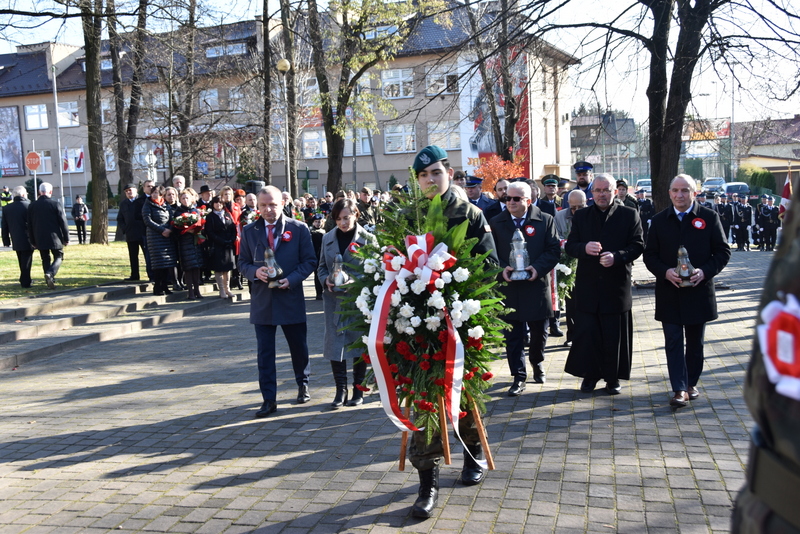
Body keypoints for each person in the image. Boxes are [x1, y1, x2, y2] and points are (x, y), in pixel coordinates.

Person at [407, 145, 498, 518]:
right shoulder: (408, 216)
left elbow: (490, 264)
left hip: (461, 319)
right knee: (423, 399)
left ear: (449, 173)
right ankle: (427, 482)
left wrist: (453, 285)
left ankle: (472, 452)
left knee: (462, 391)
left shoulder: (471, 214)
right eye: (424, 175)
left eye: (436, 173)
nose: (431, 180)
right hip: (417, 323)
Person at [643, 174, 731, 407]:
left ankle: (691, 382)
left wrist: (705, 271)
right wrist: (664, 272)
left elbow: (723, 252)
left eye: (685, 190)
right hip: (669, 293)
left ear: (694, 192)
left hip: (698, 292)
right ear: (669, 193)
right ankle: (679, 388)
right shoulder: (659, 220)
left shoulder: (709, 217)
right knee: (672, 340)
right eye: (675, 190)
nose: (680, 195)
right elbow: (649, 255)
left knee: (695, 343)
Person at [238, 186, 317, 418]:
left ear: (282, 203)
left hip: (289, 296)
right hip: (263, 301)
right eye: (263, 205)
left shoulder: (299, 228)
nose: (268, 209)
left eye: (272, 204)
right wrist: (255, 272)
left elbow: (309, 261)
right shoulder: (250, 230)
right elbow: (242, 262)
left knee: (298, 347)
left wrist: (291, 280)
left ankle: (302, 383)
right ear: (257, 207)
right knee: (265, 353)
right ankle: (269, 399)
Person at [564, 173, 644, 395]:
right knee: (589, 333)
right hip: (589, 286)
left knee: (613, 335)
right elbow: (571, 246)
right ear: (592, 192)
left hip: (615, 285)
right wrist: (584, 248)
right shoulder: (581, 216)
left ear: (615, 191)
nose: (602, 194)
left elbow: (638, 245)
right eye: (598, 190)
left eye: (606, 190)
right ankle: (590, 377)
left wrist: (617, 256)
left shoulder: (629, 214)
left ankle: (612, 378)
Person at [489, 180, 561, 395]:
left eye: (516, 198)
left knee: (540, 331)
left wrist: (536, 269)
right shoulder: (495, 222)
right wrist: (501, 269)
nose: (510, 201)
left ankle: (537, 362)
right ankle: (518, 376)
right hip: (509, 287)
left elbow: (553, 250)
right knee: (513, 335)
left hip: (535, 285)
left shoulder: (545, 220)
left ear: (528, 201)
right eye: (507, 198)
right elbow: (488, 253)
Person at [317, 198, 377, 408]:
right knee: (335, 343)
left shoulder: (368, 238)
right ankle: (340, 390)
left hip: (358, 300)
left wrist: (357, 281)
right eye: (338, 219)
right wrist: (325, 279)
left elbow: (375, 270)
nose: (343, 223)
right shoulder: (327, 238)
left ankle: (358, 389)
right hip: (334, 300)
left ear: (355, 215)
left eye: (346, 218)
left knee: (358, 343)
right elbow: (322, 267)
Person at [554, 189, 587, 347]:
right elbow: (557, 238)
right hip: (568, 265)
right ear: (568, 205)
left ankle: (587, 335)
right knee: (571, 303)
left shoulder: (591, 215)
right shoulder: (560, 217)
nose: (576, 211)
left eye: (580, 207)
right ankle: (572, 335)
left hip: (587, 264)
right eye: (573, 208)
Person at [27, 182, 70, 290]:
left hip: (39, 237)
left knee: (45, 258)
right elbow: (63, 222)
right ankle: (50, 274)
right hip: (54, 237)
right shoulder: (55, 204)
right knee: (59, 256)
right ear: (50, 192)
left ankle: (49, 280)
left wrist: (33, 241)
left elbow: (30, 225)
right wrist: (66, 238)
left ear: (39, 192)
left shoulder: (32, 206)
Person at [141, 185, 177, 296]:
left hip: (166, 237)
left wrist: (169, 230)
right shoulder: (148, 204)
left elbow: (172, 219)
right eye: (153, 193)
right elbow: (147, 220)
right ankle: (158, 287)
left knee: (167, 263)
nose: (155, 195)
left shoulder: (166, 205)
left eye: (157, 193)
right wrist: (162, 230)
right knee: (158, 263)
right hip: (155, 237)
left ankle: (165, 286)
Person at [173, 188, 205, 300]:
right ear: (180, 200)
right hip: (184, 243)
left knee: (196, 267)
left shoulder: (195, 211)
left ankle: (197, 290)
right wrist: (185, 230)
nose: (185, 200)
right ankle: (190, 292)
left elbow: (201, 225)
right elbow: (175, 229)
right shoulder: (178, 212)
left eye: (187, 197)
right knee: (188, 267)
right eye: (183, 198)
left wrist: (196, 229)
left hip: (195, 242)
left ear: (191, 199)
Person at [205, 196, 237, 298]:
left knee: (227, 269)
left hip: (228, 245)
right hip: (217, 245)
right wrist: (221, 241)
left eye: (220, 203)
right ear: (213, 204)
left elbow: (233, 228)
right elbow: (209, 232)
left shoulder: (227, 214)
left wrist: (231, 239)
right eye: (216, 203)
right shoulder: (210, 216)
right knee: (218, 269)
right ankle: (221, 290)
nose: (218, 205)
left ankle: (228, 289)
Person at [2, 186, 33, 287]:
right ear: (24, 194)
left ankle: (24, 278)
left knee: (21, 259)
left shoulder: (7, 208)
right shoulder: (29, 206)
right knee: (27, 260)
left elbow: (4, 226)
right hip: (29, 238)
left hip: (15, 237)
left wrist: (6, 241)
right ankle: (25, 281)